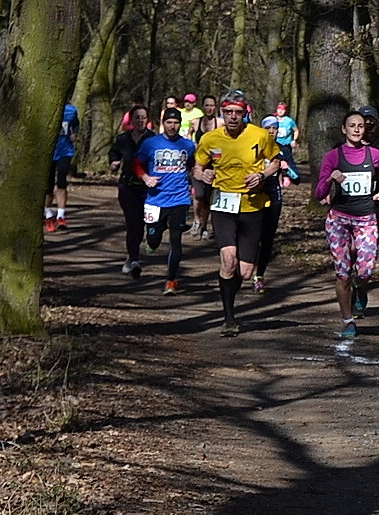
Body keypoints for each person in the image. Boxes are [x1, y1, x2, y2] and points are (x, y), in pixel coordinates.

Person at [194, 94, 282, 336]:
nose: (233, 116)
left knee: (244, 272)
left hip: (252, 207)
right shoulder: (209, 139)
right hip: (223, 206)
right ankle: (229, 317)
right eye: (229, 112)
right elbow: (198, 166)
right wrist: (204, 175)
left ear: (245, 114)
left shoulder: (259, 135)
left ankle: (230, 299)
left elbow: (276, 161)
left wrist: (262, 176)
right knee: (228, 260)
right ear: (222, 113)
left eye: (238, 112)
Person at [315, 110, 379, 338]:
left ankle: (361, 287)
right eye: (352, 126)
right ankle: (348, 320)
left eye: (360, 126)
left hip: (366, 218)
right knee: (343, 274)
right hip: (339, 219)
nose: (357, 129)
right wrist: (330, 179)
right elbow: (319, 192)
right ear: (344, 129)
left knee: (366, 271)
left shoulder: (375, 154)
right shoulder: (333, 157)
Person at [138, 107, 198, 295]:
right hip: (155, 199)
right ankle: (152, 238)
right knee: (154, 239)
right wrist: (145, 177)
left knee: (176, 240)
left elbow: (192, 165)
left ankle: (170, 281)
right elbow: (136, 163)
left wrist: (196, 176)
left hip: (179, 199)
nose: (172, 126)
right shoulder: (150, 143)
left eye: (176, 123)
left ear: (180, 124)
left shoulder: (187, 145)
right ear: (162, 123)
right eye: (169, 122)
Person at [253, 115, 302, 293]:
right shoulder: (254, 146)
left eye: (275, 128)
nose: (272, 131)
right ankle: (245, 265)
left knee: (267, 237)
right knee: (252, 234)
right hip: (254, 193)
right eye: (268, 128)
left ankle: (259, 275)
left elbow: (297, 178)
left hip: (273, 193)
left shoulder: (283, 150)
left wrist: (285, 168)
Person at [109, 104, 156, 278]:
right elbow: (114, 153)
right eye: (137, 117)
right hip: (127, 187)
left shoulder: (153, 139)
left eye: (143, 117)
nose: (140, 120)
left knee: (148, 223)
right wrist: (114, 162)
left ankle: (133, 255)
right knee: (134, 223)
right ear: (131, 120)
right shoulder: (123, 139)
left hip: (149, 188)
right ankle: (134, 260)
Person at [45, 104, 80, 232]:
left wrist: (74, 134)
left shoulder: (71, 110)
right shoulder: (45, 106)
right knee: (47, 186)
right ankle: (48, 216)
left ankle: (61, 216)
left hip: (65, 151)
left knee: (61, 182)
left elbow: (76, 125)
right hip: (48, 152)